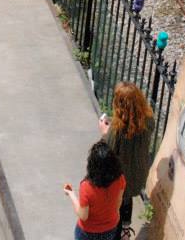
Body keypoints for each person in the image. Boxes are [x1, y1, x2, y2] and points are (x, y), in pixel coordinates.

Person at [99, 82, 155, 239]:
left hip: (120, 179)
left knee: (117, 203)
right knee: (127, 197)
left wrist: (105, 132)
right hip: (138, 176)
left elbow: (107, 151)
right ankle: (125, 228)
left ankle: (117, 233)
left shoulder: (117, 130)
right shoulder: (148, 121)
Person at [64, 141, 126, 240]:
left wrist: (71, 194)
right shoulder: (120, 179)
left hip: (87, 232)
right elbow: (118, 203)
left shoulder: (86, 186)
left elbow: (83, 216)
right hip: (110, 229)